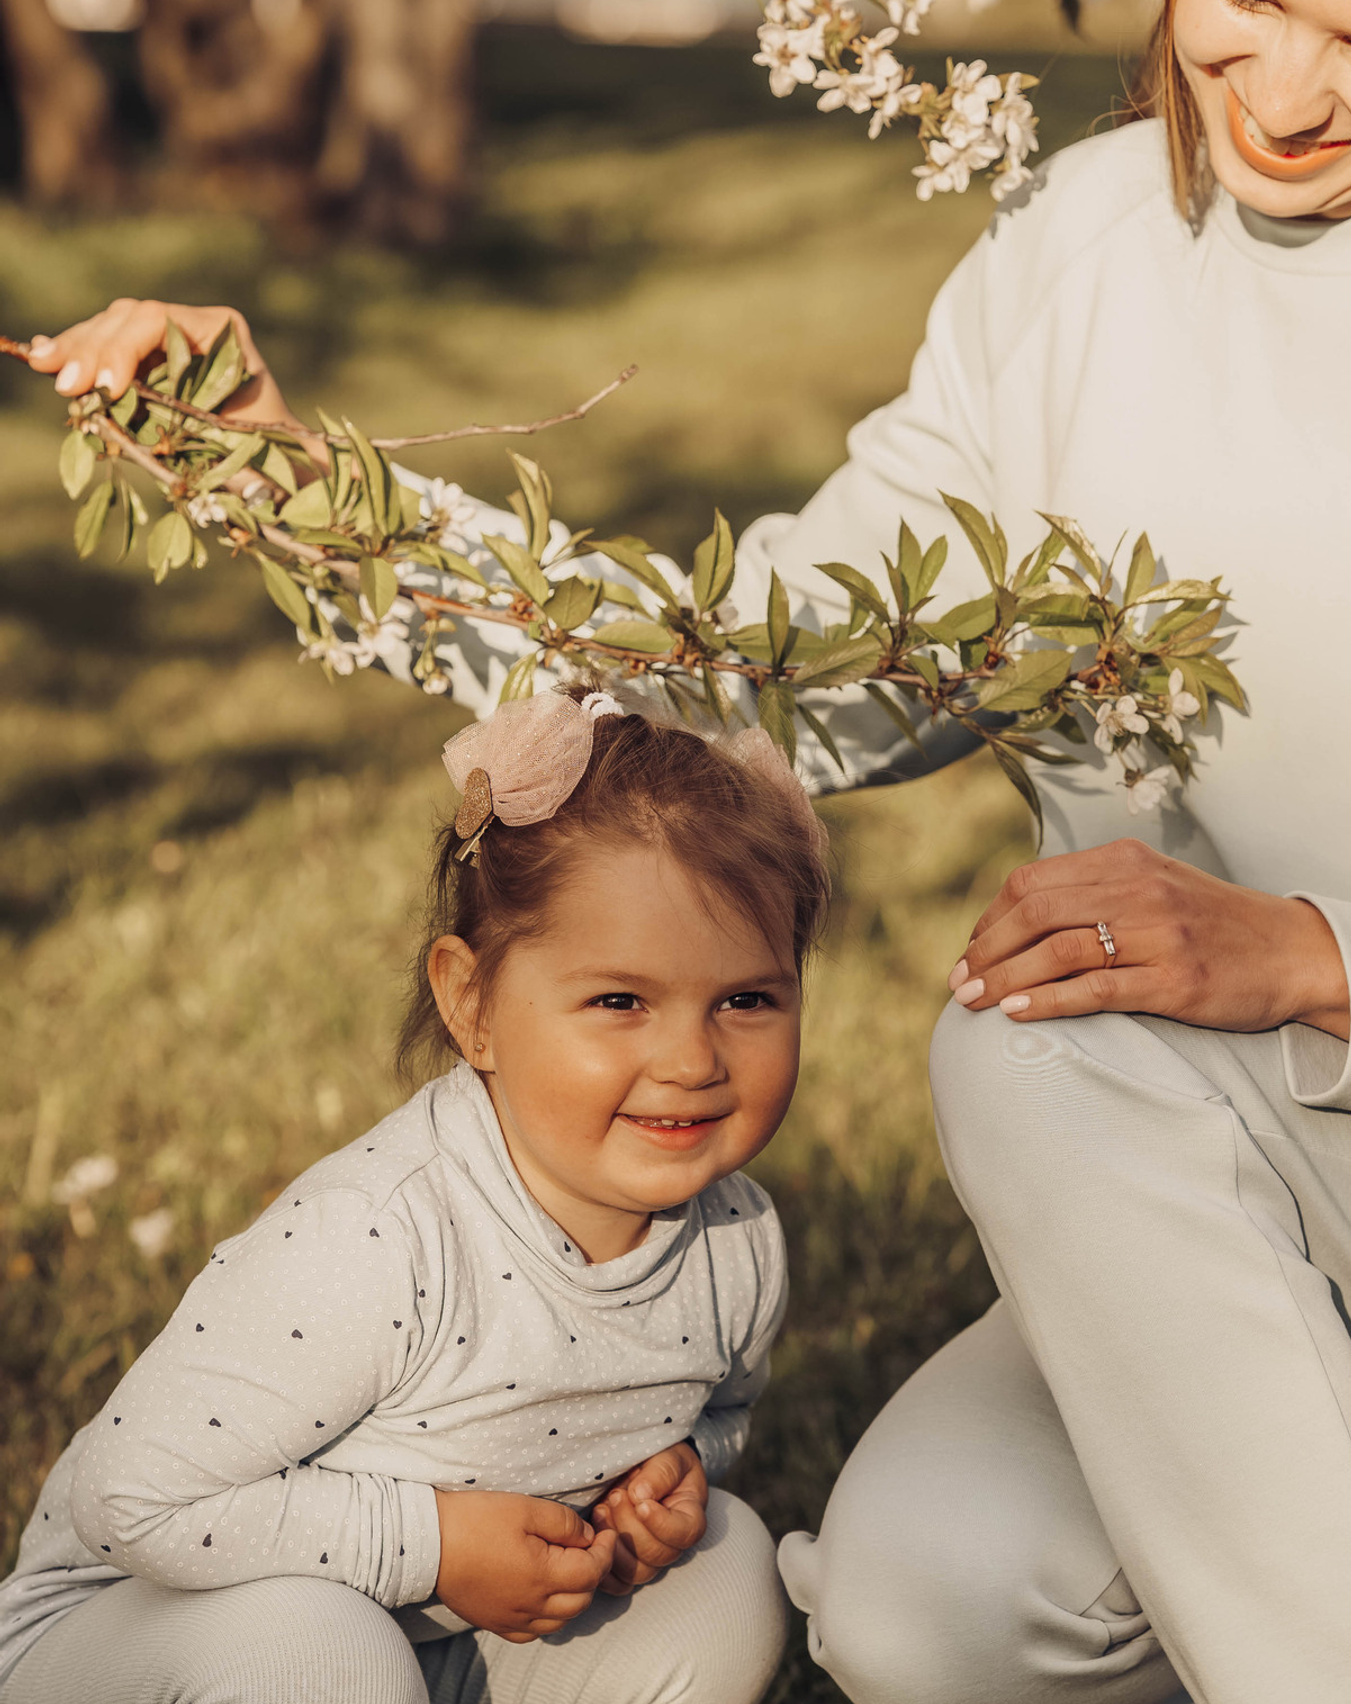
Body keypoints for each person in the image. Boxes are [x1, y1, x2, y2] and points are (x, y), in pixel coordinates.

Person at [24, 0, 1351, 1695]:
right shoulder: (1087, 244)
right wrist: (299, 489)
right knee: (924, 1610)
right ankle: (1341, 1590)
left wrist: (1309, 960)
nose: (1280, 89)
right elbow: (775, 661)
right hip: (1230, 1220)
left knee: (1050, 1037)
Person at [0, 688, 830, 1704]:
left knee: (728, 1565)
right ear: (471, 1006)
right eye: (619, 1001)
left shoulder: (735, 1243)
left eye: (747, 999)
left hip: (422, 1646)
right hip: (141, 1632)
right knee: (317, 1643)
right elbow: (130, 1500)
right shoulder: (382, 1236)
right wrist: (427, 1547)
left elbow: (720, 1410)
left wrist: (670, 1476)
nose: (691, 1057)